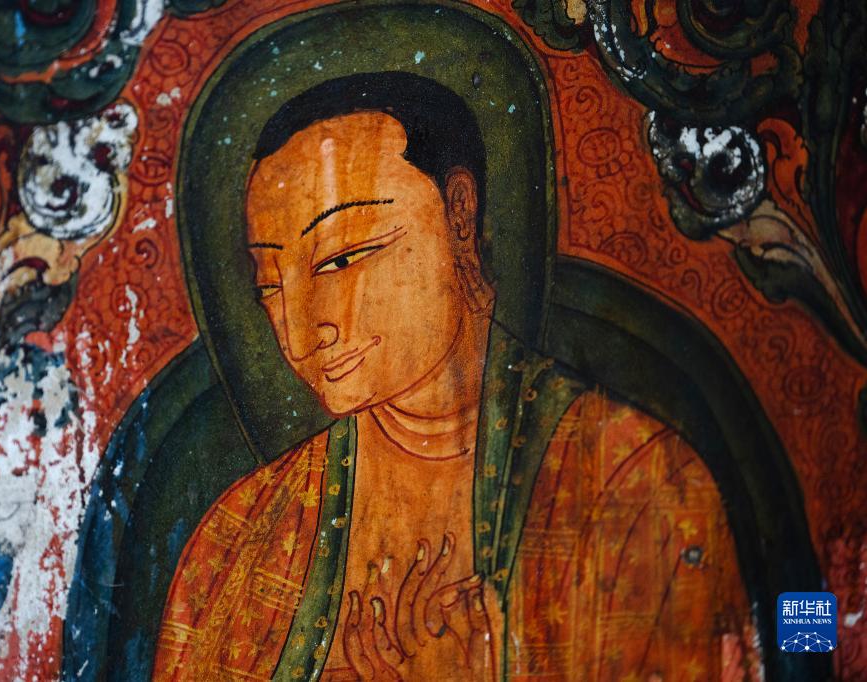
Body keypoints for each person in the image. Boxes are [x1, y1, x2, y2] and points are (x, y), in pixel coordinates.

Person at [153, 73, 752, 681]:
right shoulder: (237, 542)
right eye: (270, 286)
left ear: (459, 212)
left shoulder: (636, 485)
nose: (303, 336)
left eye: (340, 258)